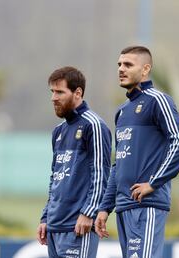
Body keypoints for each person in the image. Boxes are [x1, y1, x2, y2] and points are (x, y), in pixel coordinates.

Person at [95, 46, 179, 258]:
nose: (121, 69)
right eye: (119, 64)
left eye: (128, 64)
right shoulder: (122, 111)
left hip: (146, 205)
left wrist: (153, 183)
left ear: (145, 69)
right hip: (123, 207)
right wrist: (105, 207)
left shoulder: (158, 100)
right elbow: (118, 164)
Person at [36, 66, 112, 258]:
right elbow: (56, 178)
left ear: (78, 93)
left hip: (78, 226)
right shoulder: (58, 131)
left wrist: (89, 212)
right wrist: (46, 217)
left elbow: (101, 174)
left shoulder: (93, 126)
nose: (53, 97)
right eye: (52, 92)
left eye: (60, 92)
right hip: (55, 227)